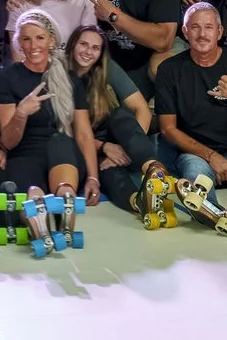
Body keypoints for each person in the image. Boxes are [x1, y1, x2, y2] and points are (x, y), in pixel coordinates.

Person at [153, 1, 227, 210]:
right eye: (195, 27)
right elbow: (167, 129)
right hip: (196, 154)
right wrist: (210, 156)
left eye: (208, 27)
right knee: (196, 180)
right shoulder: (169, 70)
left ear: (219, 32)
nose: (202, 34)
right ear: (185, 32)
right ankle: (213, 214)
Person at [66, 24, 164, 214]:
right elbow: (63, 131)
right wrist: (104, 147)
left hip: (111, 134)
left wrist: (127, 149)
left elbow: (142, 109)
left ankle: (155, 171)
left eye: (95, 48)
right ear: (72, 45)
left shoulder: (107, 67)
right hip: (79, 143)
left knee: (121, 115)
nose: (88, 52)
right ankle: (138, 202)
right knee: (107, 170)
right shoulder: (59, 73)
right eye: (83, 44)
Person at [0, 9, 83, 201]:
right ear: (19, 43)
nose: (33, 46)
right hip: (24, 152)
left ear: (51, 41)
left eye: (40, 38)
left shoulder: (69, 77)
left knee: (65, 195)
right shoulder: (7, 78)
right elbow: (8, 142)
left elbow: (83, 133)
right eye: (26, 39)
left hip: (62, 149)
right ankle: (38, 211)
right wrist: (20, 114)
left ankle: (65, 205)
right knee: (33, 198)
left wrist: (94, 178)